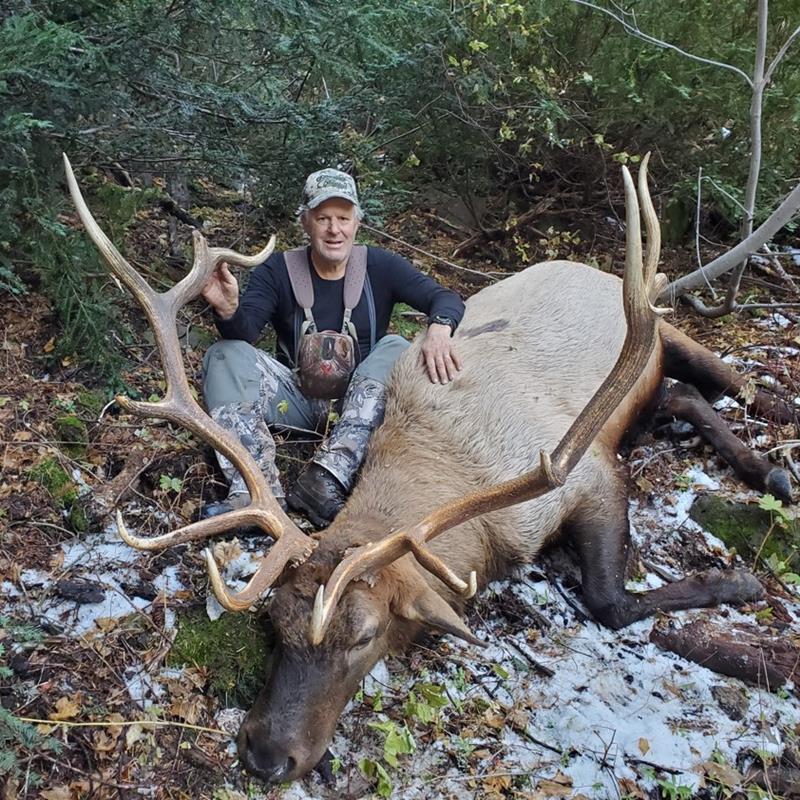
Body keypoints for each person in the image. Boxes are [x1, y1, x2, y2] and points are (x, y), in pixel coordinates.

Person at [199, 168, 465, 527]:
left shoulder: (381, 267)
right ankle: (255, 492)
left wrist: (440, 327)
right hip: (295, 399)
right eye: (323, 218)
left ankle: (326, 476)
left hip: (362, 404)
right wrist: (228, 309)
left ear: (357, 223)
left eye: (343, 218)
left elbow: (444, 298)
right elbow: (243, 333)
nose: (334, 229)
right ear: (305, 222)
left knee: (396, 347)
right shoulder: (278, 270)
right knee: (224, 354)